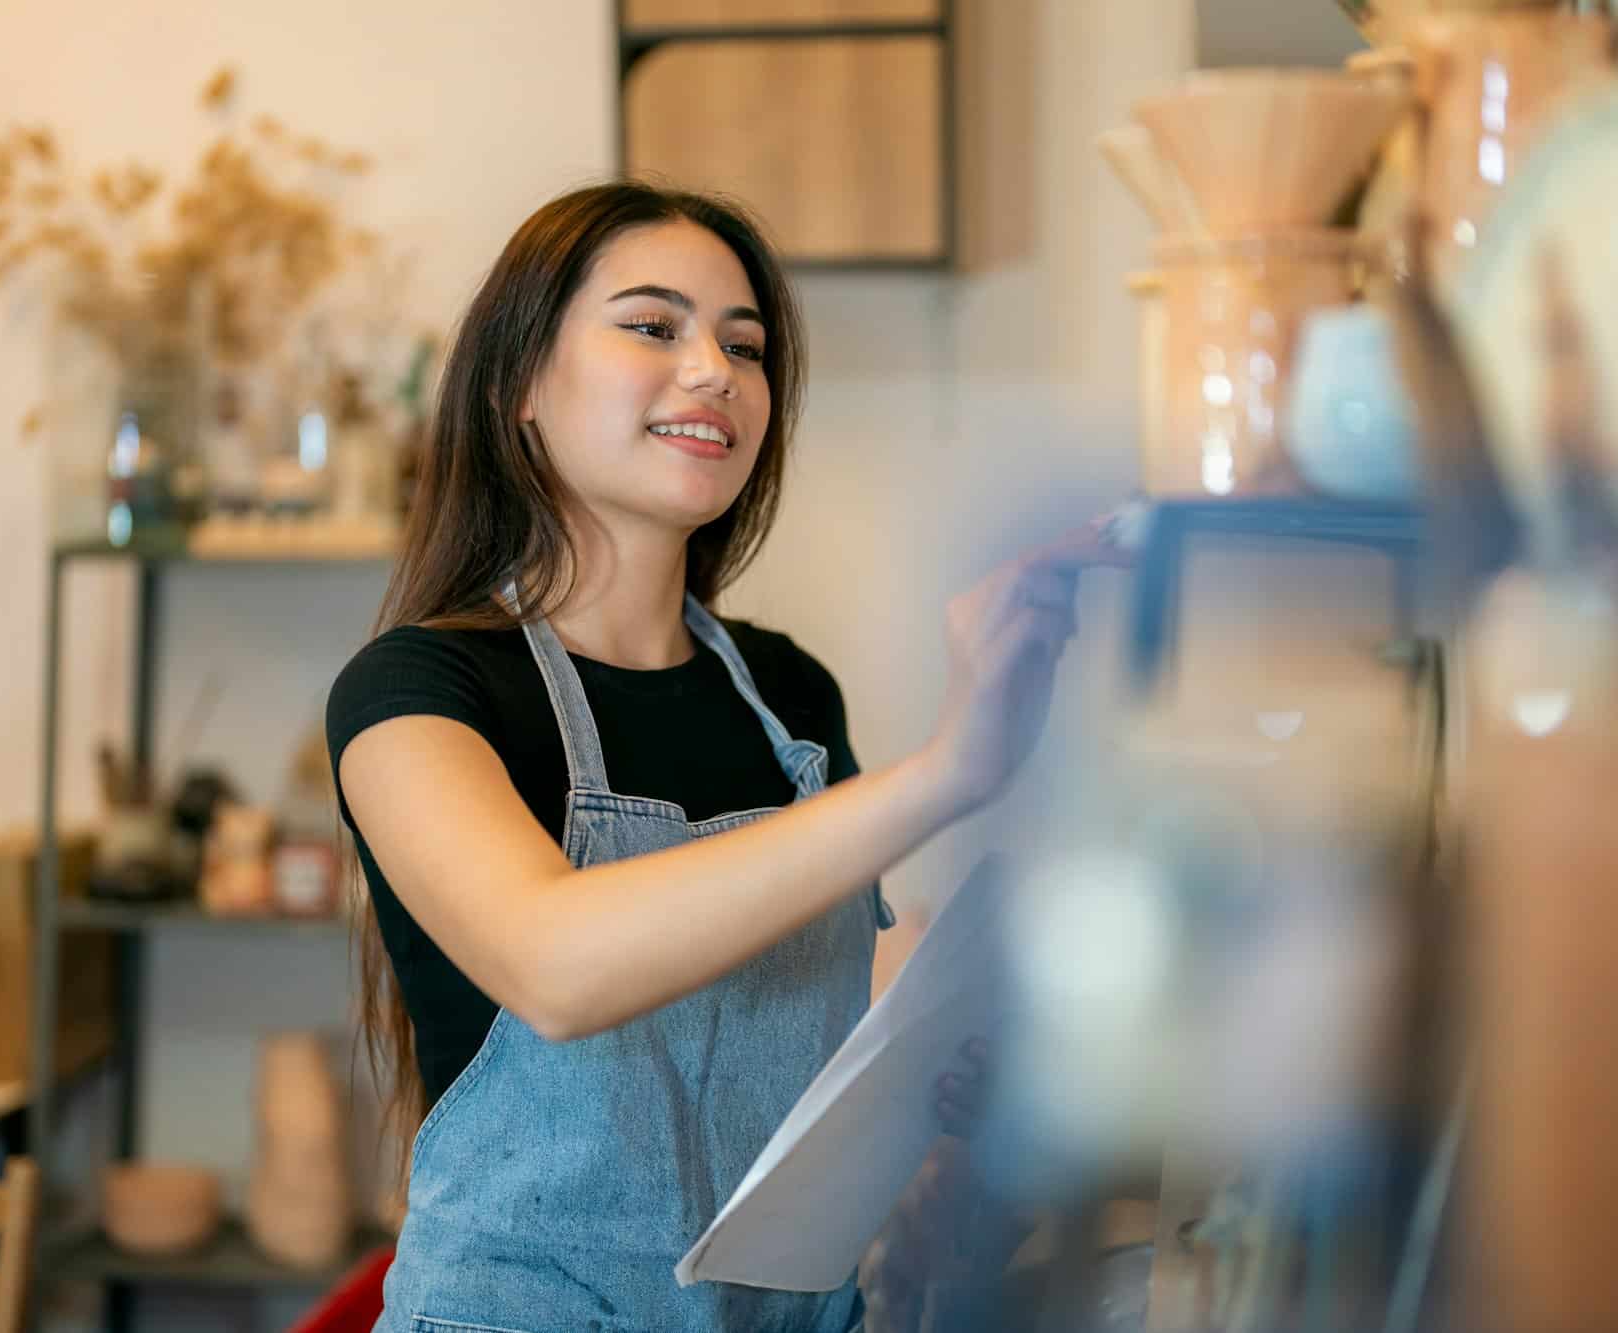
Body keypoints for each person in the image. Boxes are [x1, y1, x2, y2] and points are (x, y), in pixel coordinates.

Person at [327, 181, 1128, 1333]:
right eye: (653, 327)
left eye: (742, 345)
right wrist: (950, 769)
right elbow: (555, 963)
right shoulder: (417, 691)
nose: (713, 369)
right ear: (519, 389)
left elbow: (840, 1003)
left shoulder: (787, 694)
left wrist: (954, 1057)